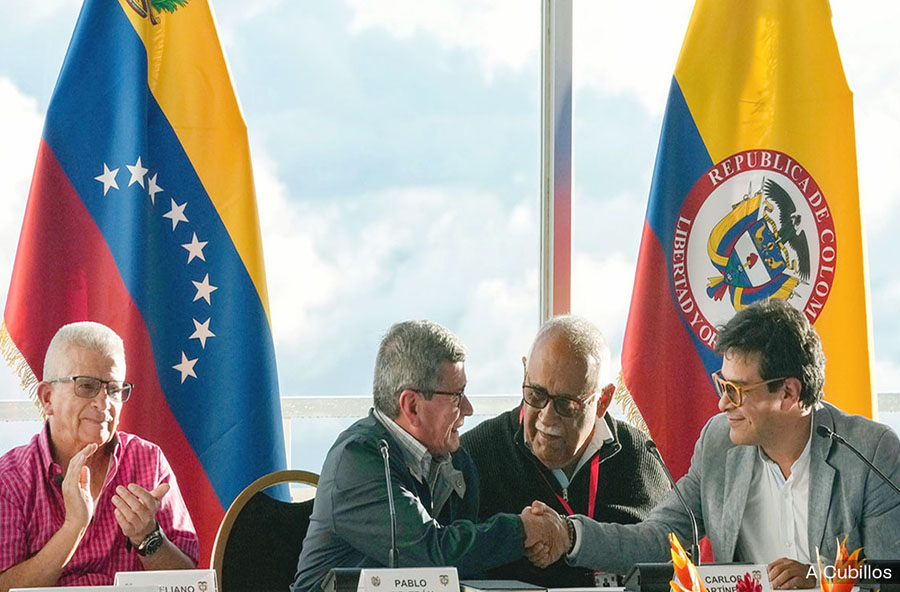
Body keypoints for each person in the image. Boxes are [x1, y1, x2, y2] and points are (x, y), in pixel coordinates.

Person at [524, 299, 900, 589]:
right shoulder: (720, 442)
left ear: (788, 393)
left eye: (736, 390)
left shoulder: (871, 453)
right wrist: (569, 535)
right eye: (723, 384)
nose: (722, 403)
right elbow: (658, 539)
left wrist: (819, 578)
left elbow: (892, 573)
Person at [291, 320, 562, 592]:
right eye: (457, 396)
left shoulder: (457, 462)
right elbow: (431, 554)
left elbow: (463, 568)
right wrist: (522, 531)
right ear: (412, 406)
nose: (468, 409)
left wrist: (537, 537)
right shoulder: (357, 460)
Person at [461, 315, 668, 586]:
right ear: (524, 374)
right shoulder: (475, 454)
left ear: (603, 400)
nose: (547, 417)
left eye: (566, 404)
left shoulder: (641, 456)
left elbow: (676, 559)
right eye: (535, 394)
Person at [0, 322, 198, 590]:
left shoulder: (148, 461)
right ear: (47, 398)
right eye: (86, 386)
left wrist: (148, 537)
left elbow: (190, 581)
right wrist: (73, 527)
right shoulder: (10, 479)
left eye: (114, 389)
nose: (104, 403)